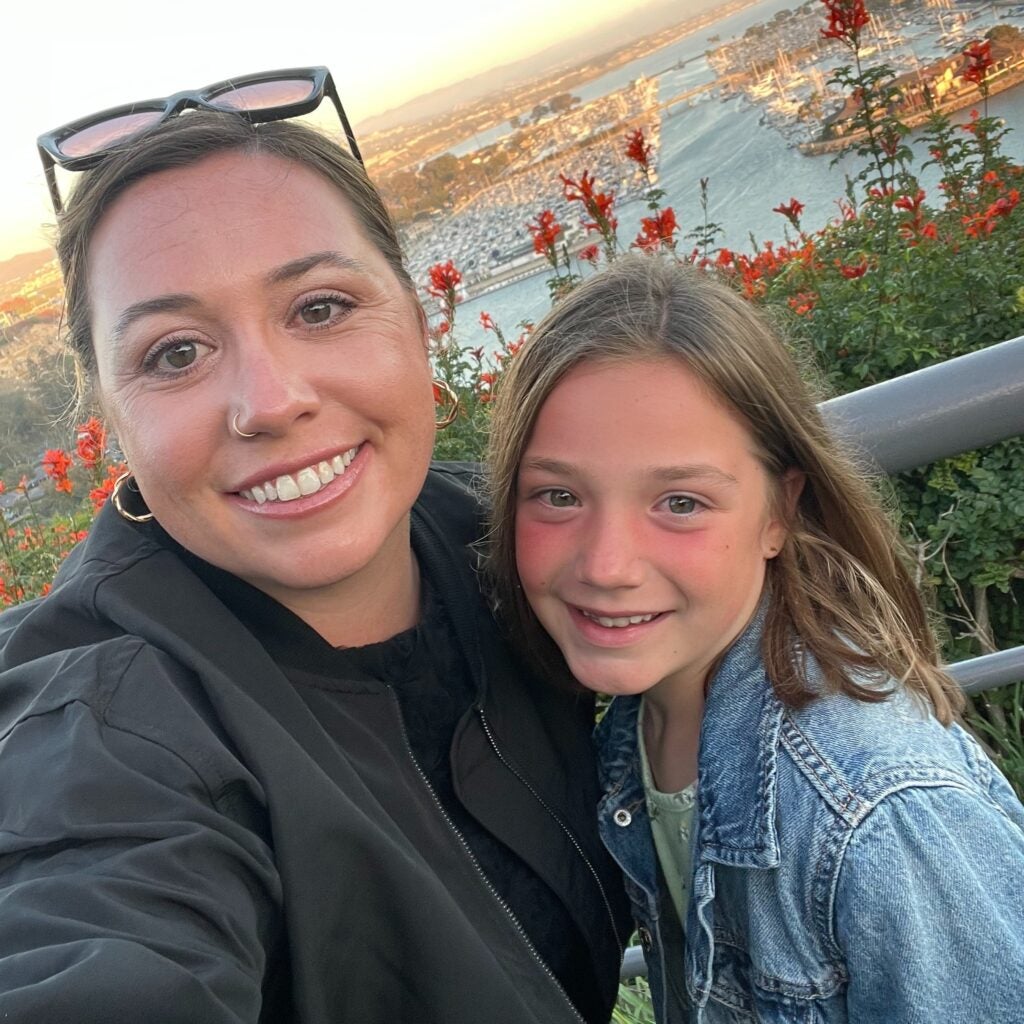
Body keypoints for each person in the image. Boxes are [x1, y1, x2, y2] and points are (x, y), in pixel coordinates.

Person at [0, 69, 630, 1023]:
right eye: (175, 353)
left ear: (417, 326)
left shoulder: (504, 541)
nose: (271, 401)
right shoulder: (109, 724)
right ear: (113, 423)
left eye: (321, 308)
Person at [484, 254, 1024, 1024]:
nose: (607, 565)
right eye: (559, 496)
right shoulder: (651, 714)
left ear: (779, 512)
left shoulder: (876, 814)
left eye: (679, 502)